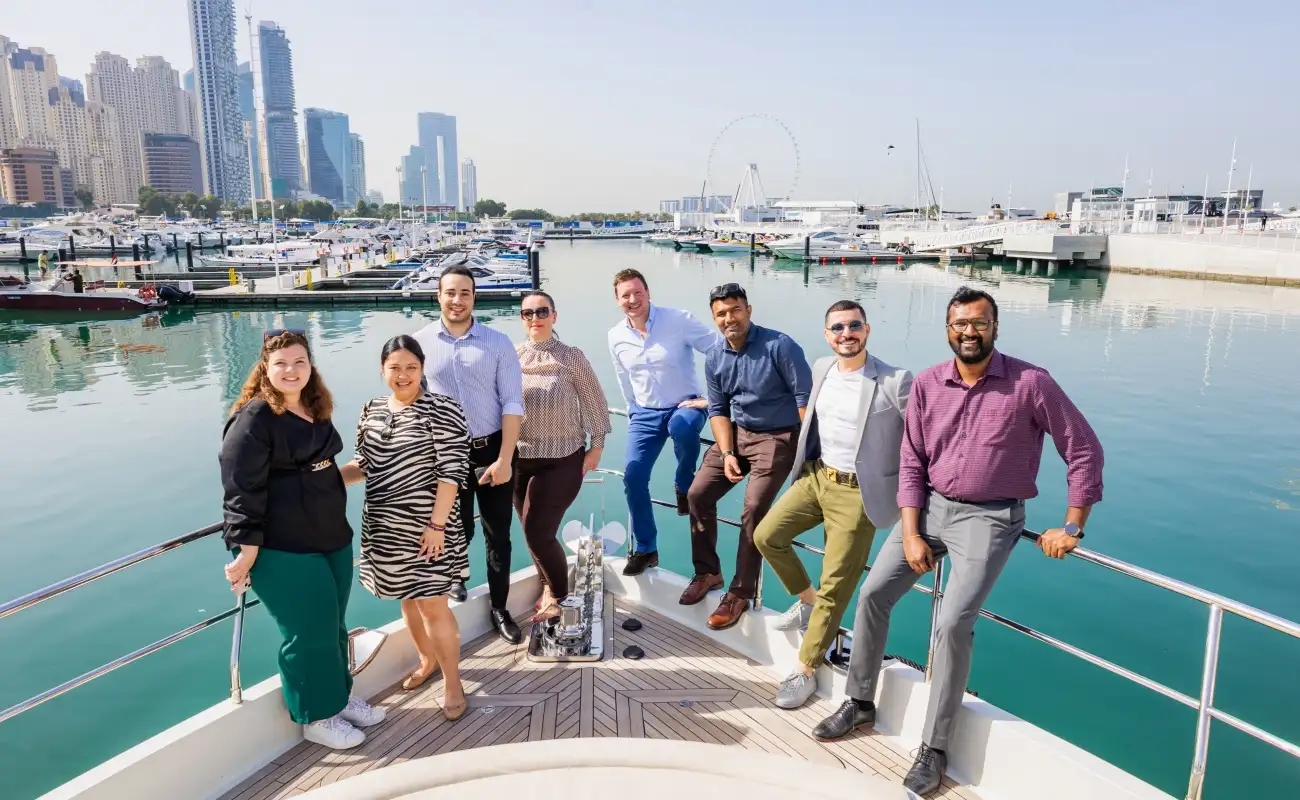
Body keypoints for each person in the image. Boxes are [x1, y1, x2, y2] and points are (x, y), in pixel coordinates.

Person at [811, 287, 1104, 797]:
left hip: (990, 518)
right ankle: (859, 701)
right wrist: (910, 531)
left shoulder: (1031, 383)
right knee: (874, 593)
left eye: (979, 323)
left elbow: (1083, 449)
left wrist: (1073, 524)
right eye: (959, 324)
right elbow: (911, 462)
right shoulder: (927, 384)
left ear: (995, 327)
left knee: (952, 623)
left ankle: (935, 747)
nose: (969, 331)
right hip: (929, 510)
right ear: (948, 329)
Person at [219, 329, 385, 751]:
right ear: (265, 369)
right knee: (306, 632)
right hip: (282, 544)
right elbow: (240, 488)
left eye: (299, 362)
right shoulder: (255, 418)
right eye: (281, 364)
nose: (291, 371)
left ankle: (337, 697)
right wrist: (247, 550)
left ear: (311, 366)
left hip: (330, 535)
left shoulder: (316, 406)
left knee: (332, 626)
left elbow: (325, 470)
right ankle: (315, 717)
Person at [754, 300, 911, 710]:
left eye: (854, 326)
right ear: (827, 335)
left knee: (836, 583)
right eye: (838, 327)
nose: (846, 333)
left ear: (867, 330)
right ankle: (806, 601)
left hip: (859, 495)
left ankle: (806, 668)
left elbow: (921, 439)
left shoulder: (895, 381)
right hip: (818, 477)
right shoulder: (822, 367)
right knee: (766, 536)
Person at [339, 336, 470, 720]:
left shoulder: (443, 410)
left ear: (422, 369)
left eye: (411, 367)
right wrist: (322, 480)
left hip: (431, 527)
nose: (403, 375)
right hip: (384, 526)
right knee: (408, 599)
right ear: (382, 370)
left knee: (433, 604)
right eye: (395, 368)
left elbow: (451, 474)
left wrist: (437, 526)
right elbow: (364, 463)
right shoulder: (372, 410)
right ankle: (426, 660)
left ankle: (452, 682)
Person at [683, 283, 812, 630]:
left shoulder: (780, 346)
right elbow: (719, 409)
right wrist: (726, 452)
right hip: (737, 435)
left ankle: (740, 592)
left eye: (735, 310)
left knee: (753, 509)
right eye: (722, 314)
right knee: (697, 494)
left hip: (778, 436)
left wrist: (809, 454)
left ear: (748, 310)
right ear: (714, 318)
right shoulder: (714, 357)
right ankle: (708, 572)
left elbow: (805, 402)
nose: (729, 318)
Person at [412, 264, 526, 644]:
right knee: (455, 527)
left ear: (474, 297)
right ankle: (458, 577)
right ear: (438, 296)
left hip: (493, 449)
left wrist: (506, 459)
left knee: (499, 535)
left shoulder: (497, 342)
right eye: (450, 293)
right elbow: (411, 401)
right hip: (444, 454)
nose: (457, 300)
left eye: (465, 293)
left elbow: (512, 402)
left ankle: (499, 606)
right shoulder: (420, 343)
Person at [607, 268, 720, 576]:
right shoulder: (615, 336)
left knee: (681, 427)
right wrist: (632, 408)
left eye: (637, 293)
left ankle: (684, 484)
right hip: (644, 412)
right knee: (632, 477)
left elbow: (719, 350)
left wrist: (711, 399)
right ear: (617, 301)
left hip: (686, 406)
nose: (633, 299)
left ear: (648, 293)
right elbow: (622, 376)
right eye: (625, 295)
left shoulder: (677, 320)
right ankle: (646, 548)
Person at [514, 291, 611, 619]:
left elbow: (594, 401)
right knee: (530, 528)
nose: (535, 317)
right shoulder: (511, 357)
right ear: (522, 319)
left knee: (537, 532)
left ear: (554, 316)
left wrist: (596, 446)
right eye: (528, 313)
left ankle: (558, 596)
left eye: (542, 311)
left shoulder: (571, 356)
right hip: (519, 459)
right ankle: (546, 584)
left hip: (564, 456)